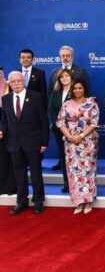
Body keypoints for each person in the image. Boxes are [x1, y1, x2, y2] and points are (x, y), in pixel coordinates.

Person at [1, 71, 48, 215]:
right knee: (19, 175)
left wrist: (44, 142)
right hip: (14, 144)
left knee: (36, 174)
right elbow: (5, 120)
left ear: (24, 81)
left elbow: (43, 121)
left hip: (33, 142)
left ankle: (38, 201)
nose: (16, 84)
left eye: (19, 81)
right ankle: (21, 202)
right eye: (13, 81)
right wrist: (2, 130)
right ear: (9, 83)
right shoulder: (6, 99)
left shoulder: (36, 97)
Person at [56, 79, 99, 214]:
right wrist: (70, 136)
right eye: (75, 88)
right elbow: (60, 122)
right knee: (74, 172)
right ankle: (79, 201)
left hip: (88, 142)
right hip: (71, 143)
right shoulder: (67, 104)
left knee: (88, 171)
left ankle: (89, 200)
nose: (77, 90)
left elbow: (94, 123)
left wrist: (80, 136)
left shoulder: (92, 103)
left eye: (80, 88)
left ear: (84, 88)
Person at [48, 68, 73, 191]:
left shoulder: (77, 90)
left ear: (71, 77)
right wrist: (60, 124)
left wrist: (70, 125)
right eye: (62, 77)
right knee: (63, 155)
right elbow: (51, 109)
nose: (64, 78)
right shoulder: (56, 92)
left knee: (74, 156)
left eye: (66, 76)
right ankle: (66, 182)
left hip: (74, 130)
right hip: (59, 129)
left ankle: (75, 182)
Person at [0, 68, 15, 196]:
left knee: (7, 159)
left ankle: (9, 187)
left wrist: (2, 129)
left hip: (8, 130)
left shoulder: (9, 87)